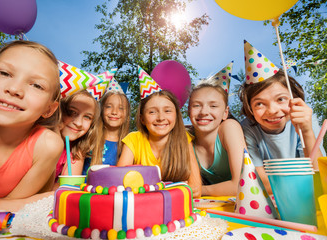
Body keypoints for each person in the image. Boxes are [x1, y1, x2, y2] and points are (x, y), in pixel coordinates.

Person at [0, 40, 63, 213]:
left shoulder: (47, 146)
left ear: (49, 108)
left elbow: (7, 214)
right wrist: (16, 205)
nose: (14, 89)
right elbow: (15, 206)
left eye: (36, 85)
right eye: (4, 73)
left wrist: (14, 205)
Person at [239, 41, 325, 193]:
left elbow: (320, 178)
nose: (272, 110)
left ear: (294, 97)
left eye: (280, 99)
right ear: (249, 108)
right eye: (259, 104)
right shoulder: (247, 128)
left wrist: (306, 131)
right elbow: (258, 180)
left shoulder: (305, 118)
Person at [117, 66, 202, 198]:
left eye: (167, 111)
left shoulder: (183, 138)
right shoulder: (133, 140)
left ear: (176, 115)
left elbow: (196, 190)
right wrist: (173, 189)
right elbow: (119, 182)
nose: (161, 117)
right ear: (142, 118)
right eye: (152, 112)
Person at [188, 62, 246, 196]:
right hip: (215, 206)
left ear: (225, 113)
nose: (204, 112)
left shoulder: (229, 128)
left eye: (213, 106)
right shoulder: (187, 141)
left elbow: (243, 183)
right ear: (188, 111)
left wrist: (202, 190)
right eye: (197, 105)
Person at [54, 90, 99, 185]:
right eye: (72, 112)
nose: (78, 123)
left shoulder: (77, 150)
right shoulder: (41, 139)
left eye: (87, 117)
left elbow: (68, 188)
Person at [89, 78, 130, 170]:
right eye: (109, 106)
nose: (114, 112)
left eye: (120, 108)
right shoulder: (90, 138)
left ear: (127, 113)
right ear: (101, 109)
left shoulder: (129, 144)